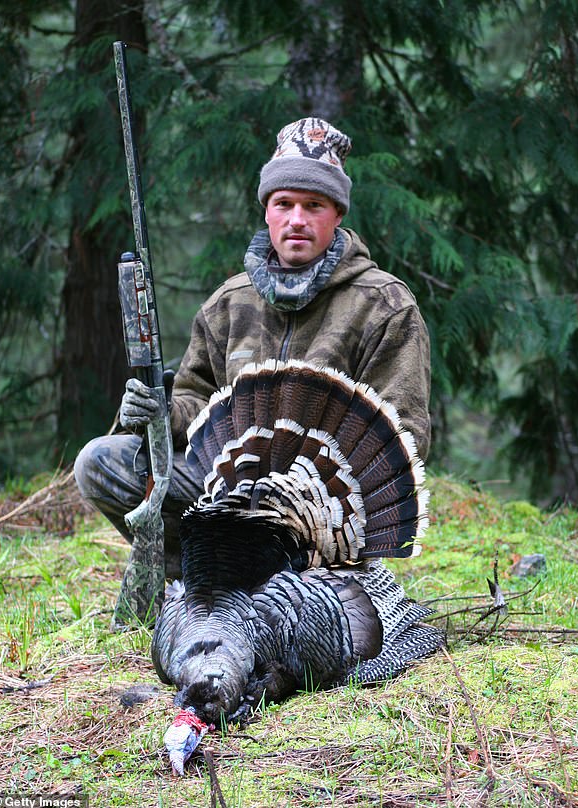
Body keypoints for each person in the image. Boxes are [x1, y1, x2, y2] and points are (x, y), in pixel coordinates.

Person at [74, 117, 431, 578]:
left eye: (314, 205)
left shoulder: (384, 305)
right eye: (284, 203)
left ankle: (297, 590)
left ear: (338, 214)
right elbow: (196, 399)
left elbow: (404, 433)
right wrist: (159, 410)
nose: (297, 219)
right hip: (228, 492)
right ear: (267, 210)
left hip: (325, 520)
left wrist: (314, 495)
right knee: (102, 464)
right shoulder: (230, 302)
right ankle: (202, 581)